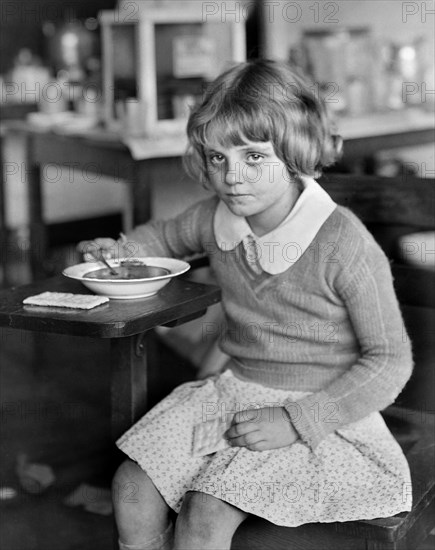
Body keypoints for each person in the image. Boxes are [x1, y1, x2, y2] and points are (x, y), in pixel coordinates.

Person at [78, 59, 413, 550]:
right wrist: (123, 251)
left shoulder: (343, 242)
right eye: (217, 158)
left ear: (295, 149)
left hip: (321, 414)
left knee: (204, 513)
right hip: (234, 395)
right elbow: (163, 237)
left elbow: (390, 361)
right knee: (130, 488)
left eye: (254, 157)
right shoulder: (217, 217)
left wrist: (299, 422)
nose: (232, 177)